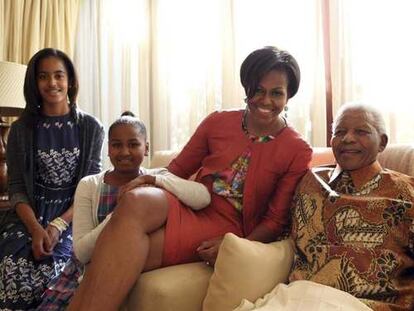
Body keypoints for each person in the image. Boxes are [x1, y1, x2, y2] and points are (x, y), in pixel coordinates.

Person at [68, 46, 312, 310]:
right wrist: (150, 181)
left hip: (228, 226)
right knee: (136, 200)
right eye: (258, 90)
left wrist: (236, 247)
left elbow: (275, 220)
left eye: (276, 93)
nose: (265, 100)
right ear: (246, 88)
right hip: (194, 202)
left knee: (113, 253)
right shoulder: (217, 122)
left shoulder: (297, 149)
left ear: (289, 96)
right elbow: (176, 171)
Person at [36, 112, 211, 309]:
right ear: (108, 149)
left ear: (146, 148)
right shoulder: (89, 185)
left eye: (133, 144)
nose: (125, 152)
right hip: (84, 274)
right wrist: (124, 212)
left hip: (128, 268)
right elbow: (83, 252)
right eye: (117, 145)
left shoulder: (158, 177)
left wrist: (154, 180)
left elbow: (203, 197)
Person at [0, 48, 104, 310]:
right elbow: (16, 188)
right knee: (12, 266)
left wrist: (58, 225)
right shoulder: (20, 130)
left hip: (73, 218)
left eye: (59, 75)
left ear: (70, 81)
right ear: (34, 83)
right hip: (27, 218)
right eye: (43, 76)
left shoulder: (92, 128)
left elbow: (90, 187)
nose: (52, 83)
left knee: (57, 271)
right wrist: (36, 228)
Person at [286, 103, 414, 310]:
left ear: (382, 143)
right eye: (340, 132)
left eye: (361, 131)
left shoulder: (406, 194)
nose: (348, 138)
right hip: (299, 300)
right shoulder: (310, 182)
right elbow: (276, 226)